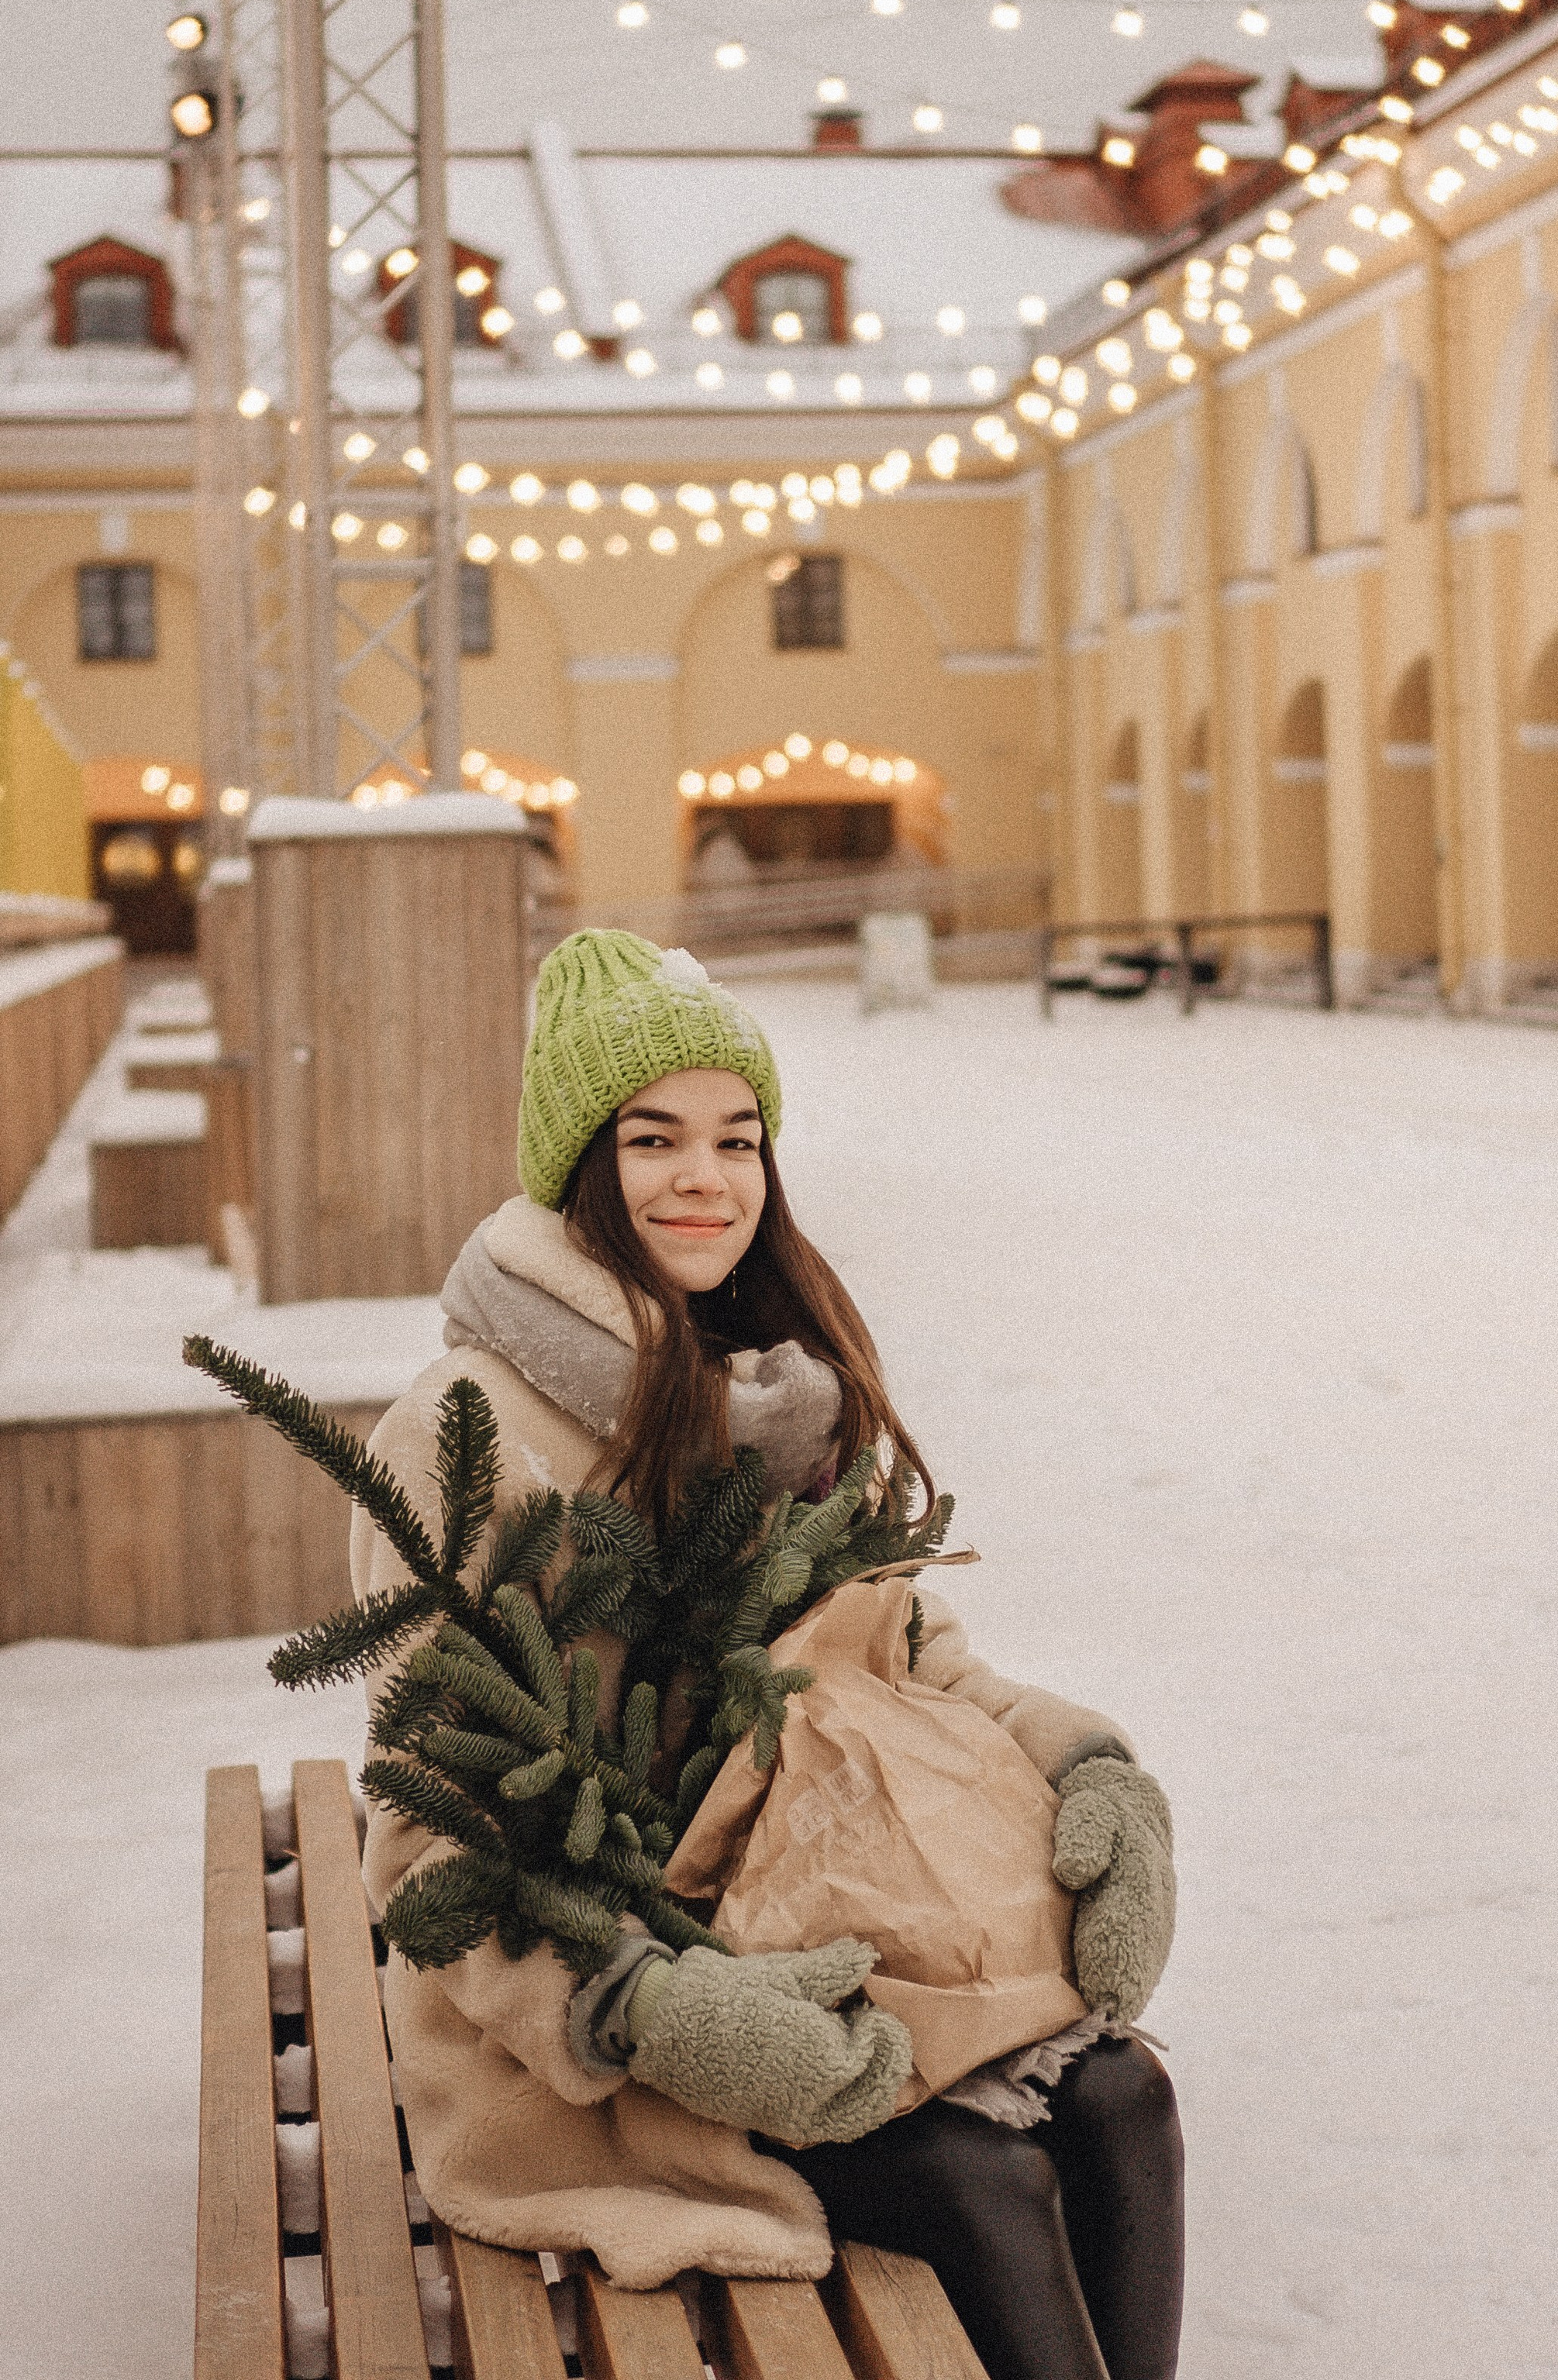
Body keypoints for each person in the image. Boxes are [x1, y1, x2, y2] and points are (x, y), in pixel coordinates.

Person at [350, 930, 1185, 2380]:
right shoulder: (464, 1432)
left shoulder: (782, 1394)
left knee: (1124, 2101)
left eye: (739, 1140)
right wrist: (646, 2004)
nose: (706, 1178)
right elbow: (437, 1838)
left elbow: (916, 1663)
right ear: (579, 1167)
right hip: (599, 2018)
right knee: (982, 2183)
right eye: (654, 1138)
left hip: (817, 1918)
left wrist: (1092, 1768)